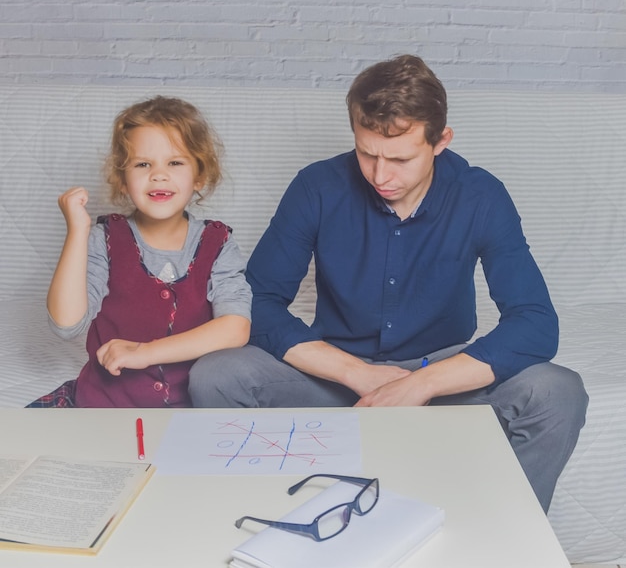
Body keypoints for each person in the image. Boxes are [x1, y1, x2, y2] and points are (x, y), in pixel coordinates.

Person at [188, 55, 588, 512]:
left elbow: (536, 323)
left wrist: (420, 384)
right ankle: (272, 529)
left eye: (400, 158)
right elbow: (254, 302)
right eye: (367, 154)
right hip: (337, 378)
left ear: (440, 142)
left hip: (441, 381)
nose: (381, 176)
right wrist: (358, 374)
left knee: (558, 391)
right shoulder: (317, 186)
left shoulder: (481, 195)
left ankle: (502, 541)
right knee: (216, 374)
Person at [28, 96, 251, 408]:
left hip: (186, 415)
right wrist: (77, 232)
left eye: (175, 162)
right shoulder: (102, 239)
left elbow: (235, 328)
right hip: (104, 405)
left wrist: (145, 352)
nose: (158, 175)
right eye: (143, 164)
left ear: (199, 176)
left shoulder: (219, 243)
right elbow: (66, 325)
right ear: (122, 180)